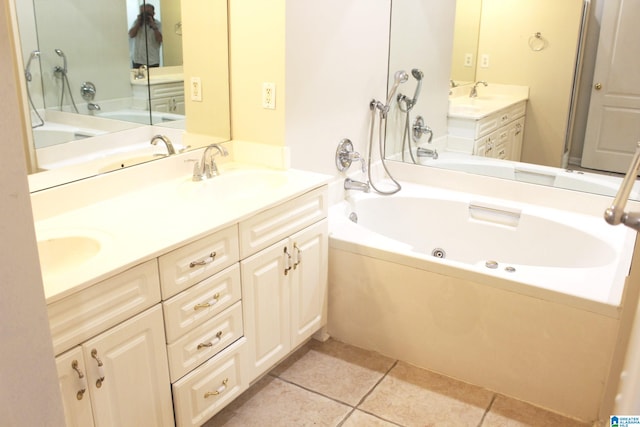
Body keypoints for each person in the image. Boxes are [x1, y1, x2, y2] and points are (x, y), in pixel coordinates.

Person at [128, 4, 162, 68]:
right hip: (137, 60)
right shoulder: (136, 23)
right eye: (143, 13)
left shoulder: (158, 24)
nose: (145, 15)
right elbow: (131, 35)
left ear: (153, 13)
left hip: (152, 60)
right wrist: (138, 23)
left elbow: (160, 39)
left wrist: (154, 27)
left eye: (148, 13)